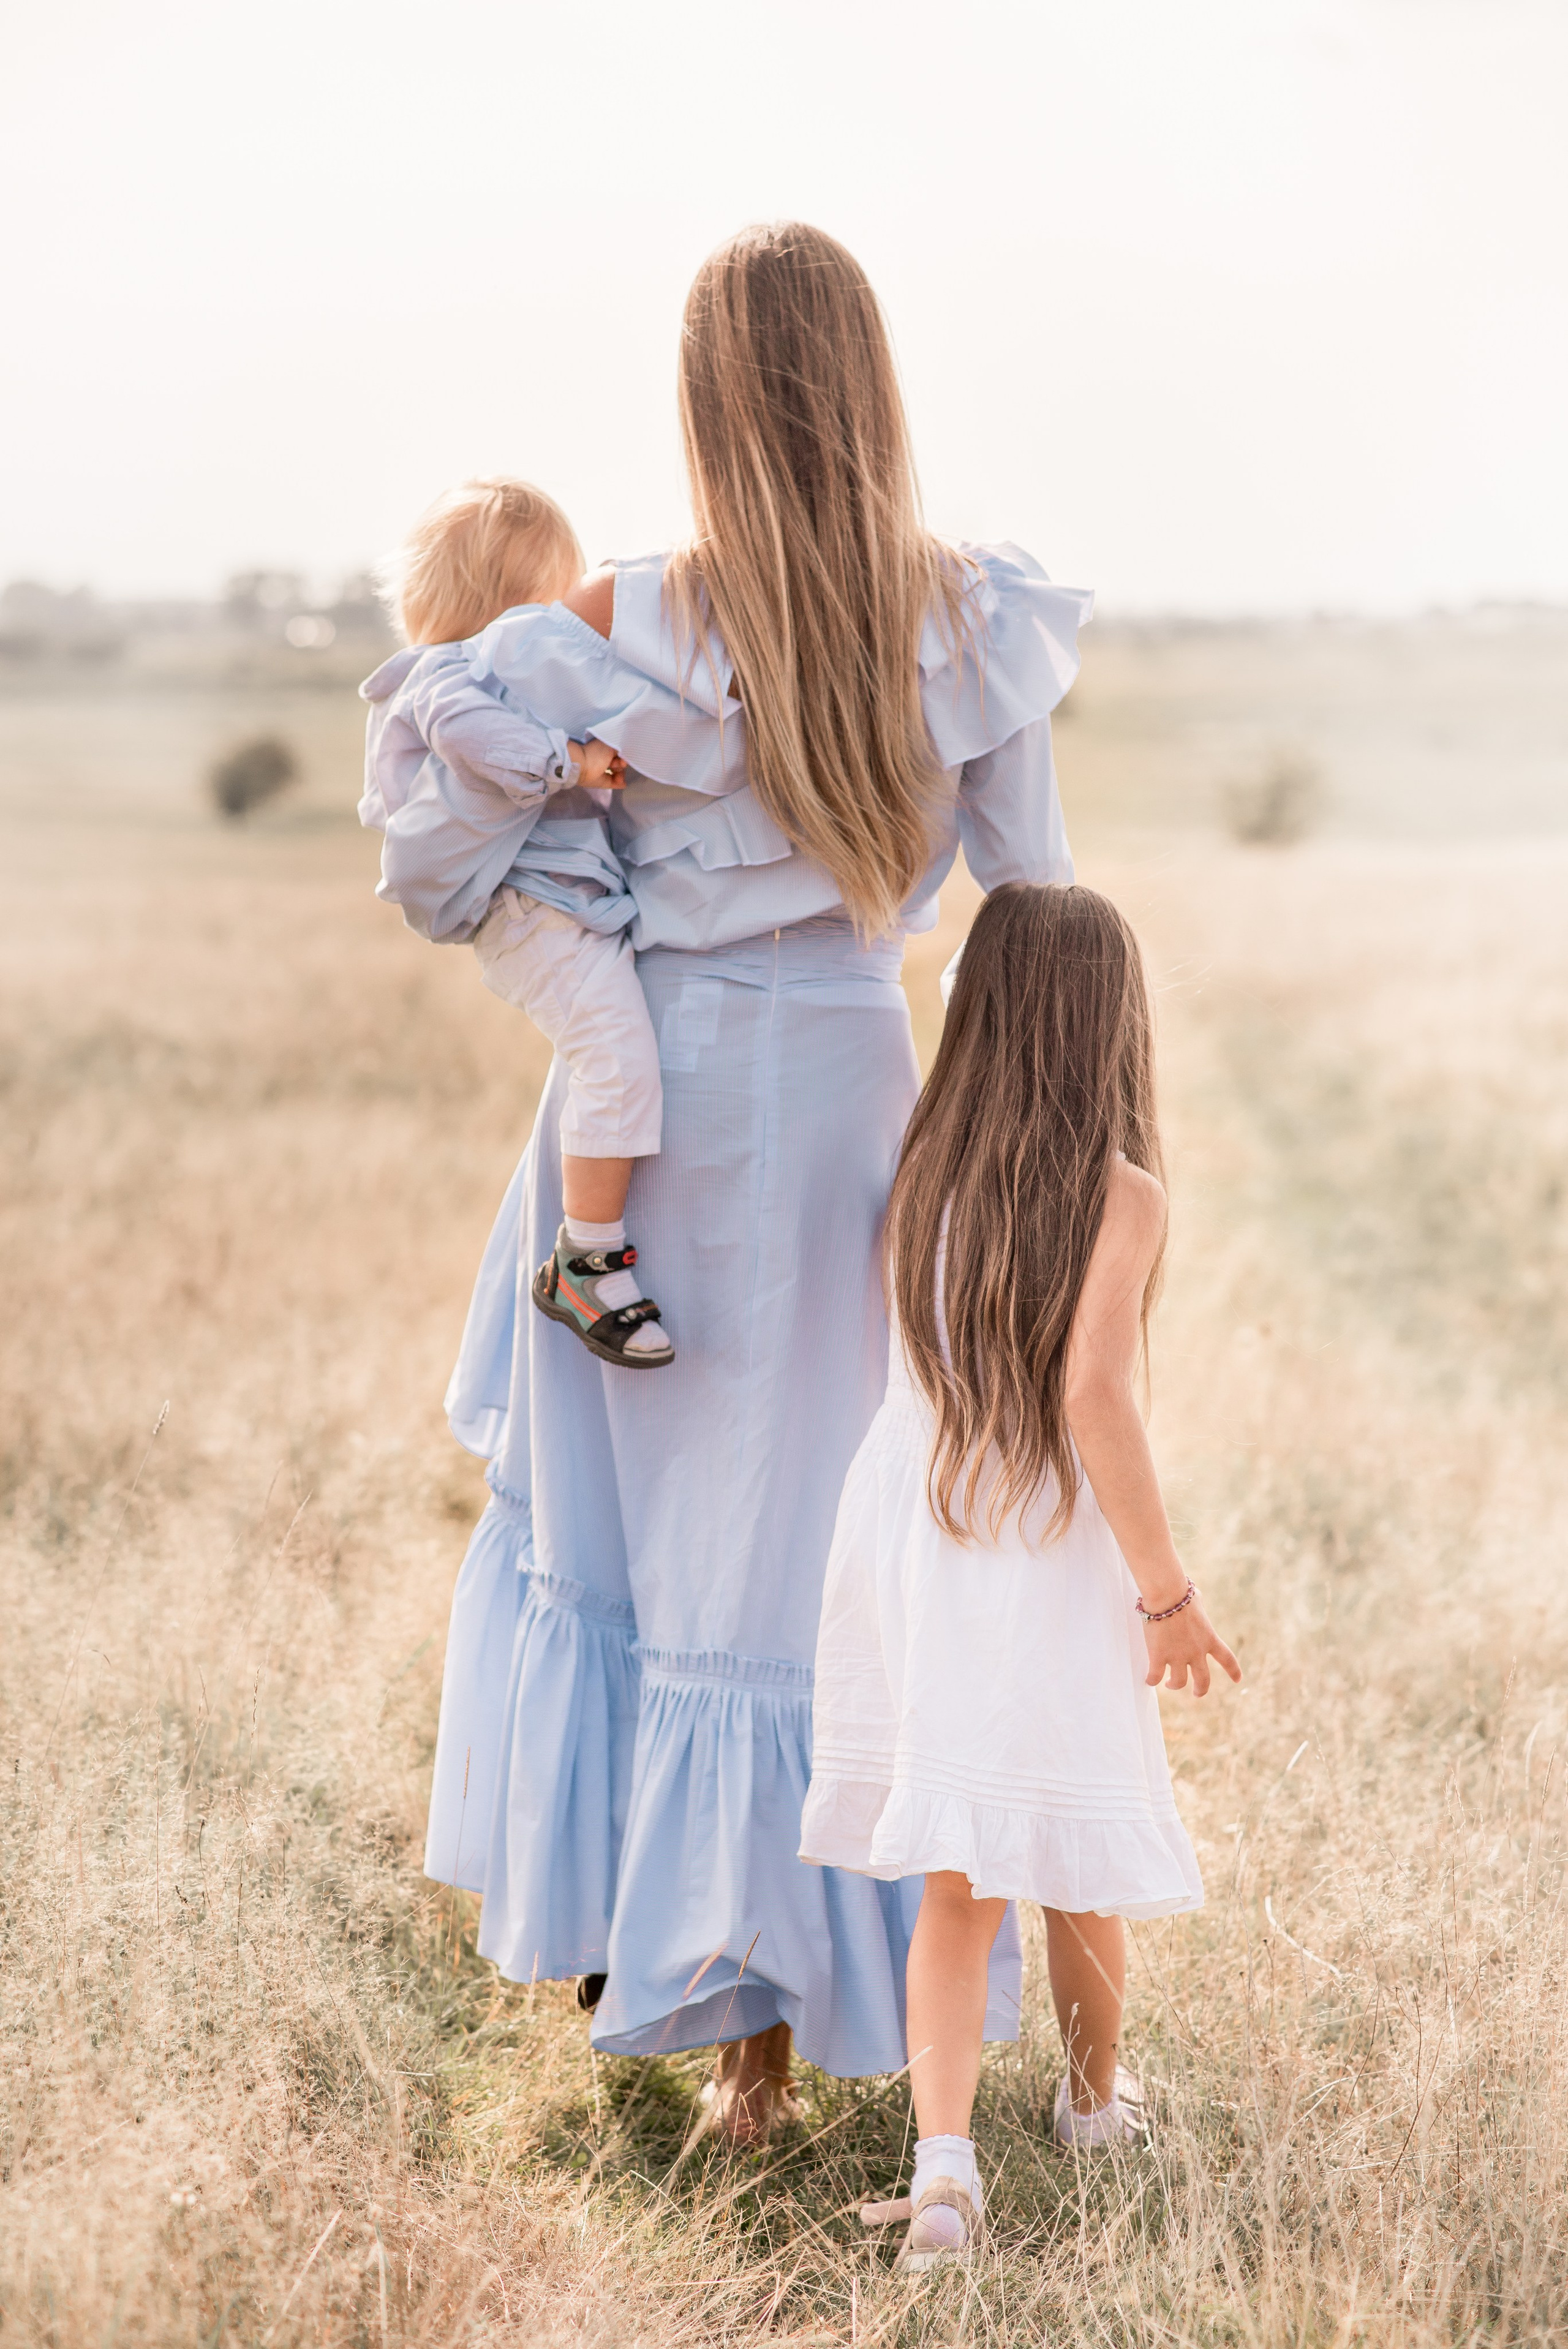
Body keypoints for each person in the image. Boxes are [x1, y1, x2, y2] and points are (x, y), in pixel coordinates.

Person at [363, 222, 1092, 2141]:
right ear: (873, 386)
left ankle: (723, 2037)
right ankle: (783, 2030)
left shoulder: (613, 618)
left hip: (656, 1114)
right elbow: (1032, 903)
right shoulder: (972, 622)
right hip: (863, 1101)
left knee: (645, 1558)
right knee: (819, 1568)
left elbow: (431, 839)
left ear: (696, 402)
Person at [801, 882, 1241, 2267]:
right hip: (1044, 1542)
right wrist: (1164, 1589)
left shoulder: (923, 1154)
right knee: (1071, 1838)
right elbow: (1093, 1393)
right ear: (1109, 1022)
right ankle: (1093, 2109)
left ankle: (943, 2173)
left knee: (954, 1873)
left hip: (921, 1525)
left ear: (984, 1010)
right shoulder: (1119, 1192)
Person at [360, 477, 673, 1367]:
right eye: (550, 602)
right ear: (507, 608)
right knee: (615, 1057)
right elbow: (476, 740)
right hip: (529, 911)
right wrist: (570, 761)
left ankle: (593, 1239)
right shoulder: (448, 677)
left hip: (558, 905)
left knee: (611, 1052)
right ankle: (588, 1258)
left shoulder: (483, 673)